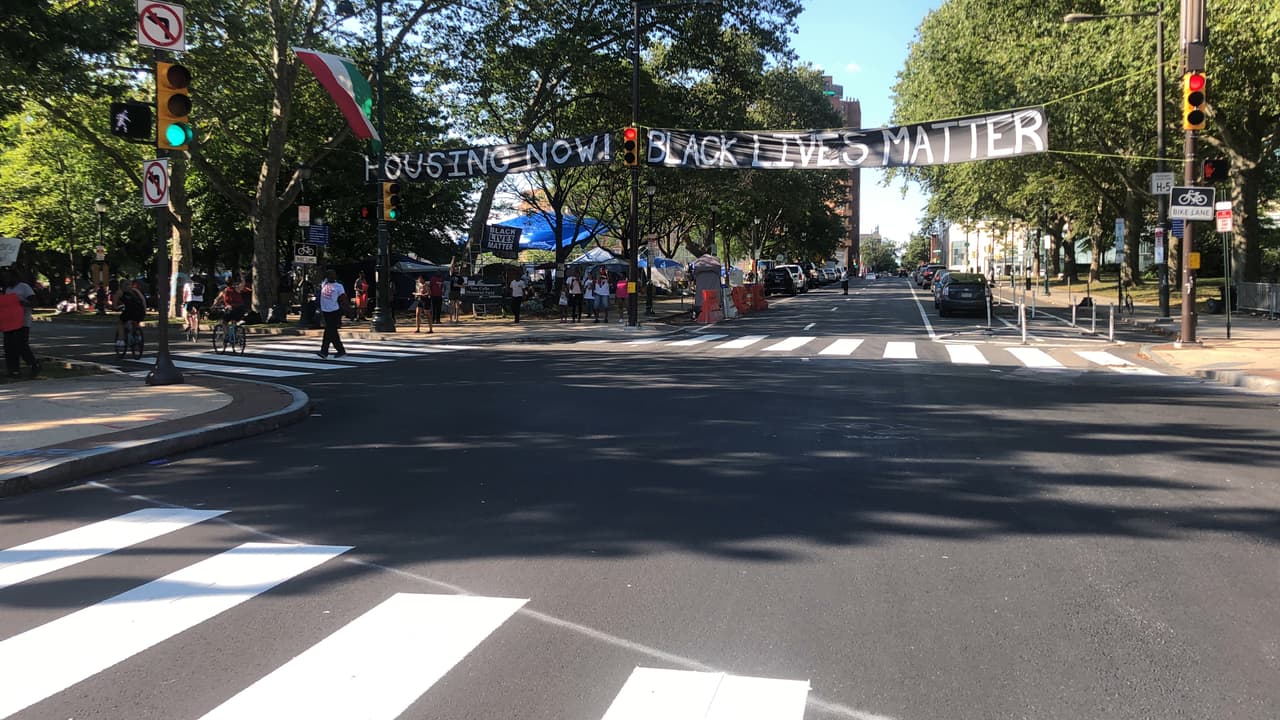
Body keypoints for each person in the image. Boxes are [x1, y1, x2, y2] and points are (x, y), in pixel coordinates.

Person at [1, 269, 39, 378]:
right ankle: (13, 369)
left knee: (21, 345)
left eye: (7, 277)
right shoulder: (7, 290)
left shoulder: (24, 287)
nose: (6, 279)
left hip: (22, 321)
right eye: (4, 277)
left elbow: (34, 302)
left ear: (14, 277)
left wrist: (24, 303)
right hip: (9, 322)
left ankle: (33, 364)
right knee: (8, 346)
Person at [317, 269, 347, 358]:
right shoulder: (324, 284)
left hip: (334, 311)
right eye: (329, 275)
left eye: (333, 275)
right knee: (332, 332)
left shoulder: (339, 286)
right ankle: (341, 350)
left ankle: (324, 351)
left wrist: (347, 309)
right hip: (325, 311)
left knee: (329, 331)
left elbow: (343, 298)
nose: (331, 276)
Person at [113, 279, 146, 348]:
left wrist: (116, 308)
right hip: (140, 310)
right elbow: (143, 300)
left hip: (129, 311)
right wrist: (144, 310)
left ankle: (121, 340)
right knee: (136, 321)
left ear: (120, 285)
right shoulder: (136, 291)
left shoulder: (120, 292)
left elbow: (114, 305)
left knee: (120, 322)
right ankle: (138, 336)